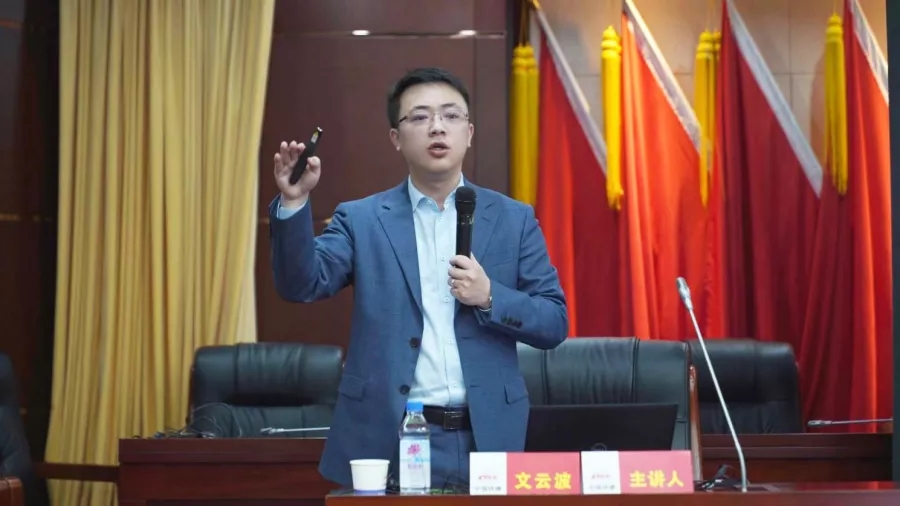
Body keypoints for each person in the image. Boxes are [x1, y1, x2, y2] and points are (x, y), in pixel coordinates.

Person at [268, 67, 568, 489]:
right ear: (396, 137)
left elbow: (553, 322)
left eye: (451, 116)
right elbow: (301, 284)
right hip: (390, 436)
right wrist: (294, 202)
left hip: (488, 436)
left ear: (469, 132)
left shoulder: (513, 219)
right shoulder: (362, 219)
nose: (437, 127)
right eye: (420, 117)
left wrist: (489, 297)